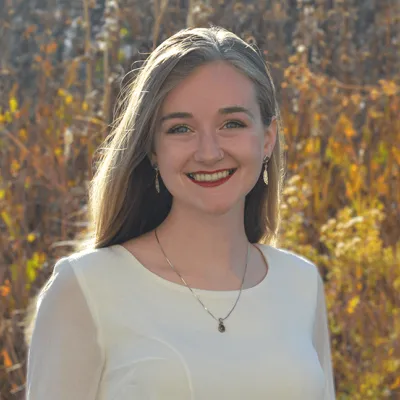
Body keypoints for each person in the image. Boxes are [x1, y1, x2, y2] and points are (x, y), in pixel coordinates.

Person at [25, 26, 336, 399]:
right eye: (181, 128)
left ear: (267, 139)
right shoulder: (85, 290)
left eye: (231, 124)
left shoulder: (300, 284)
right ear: (153, 149)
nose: (208, 152)